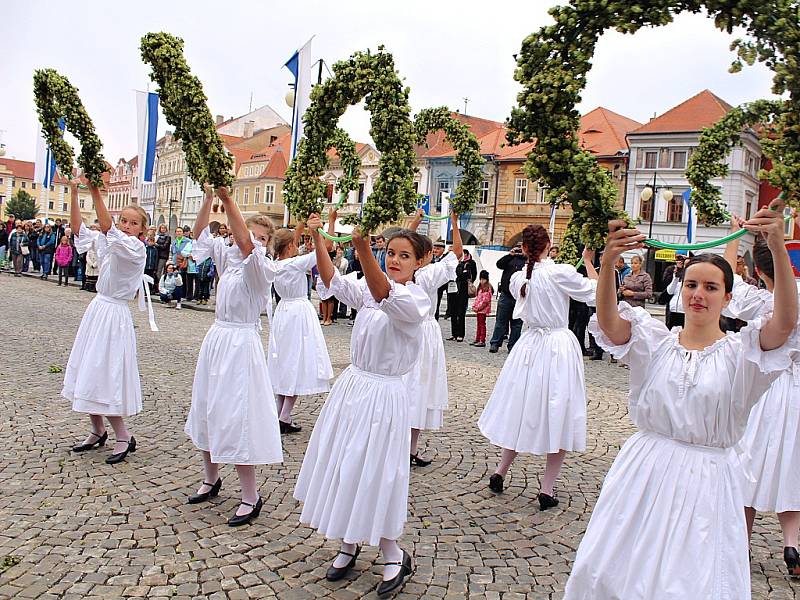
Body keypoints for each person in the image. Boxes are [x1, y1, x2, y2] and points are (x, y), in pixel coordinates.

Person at [563, 202, 799, 599]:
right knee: (612, 572)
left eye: (710, 287)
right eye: (691, 285)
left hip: (707, 479)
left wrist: (777, 246)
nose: (698, 295)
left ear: (728, 298)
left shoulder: (744, 356)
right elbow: (609, 324)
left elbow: (785, 322)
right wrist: (607, 265)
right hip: (644, 472)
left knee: (690, 582)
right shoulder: (653, 342)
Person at [295, 213, 429, 597]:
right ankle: (348, 542)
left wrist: (363, 249)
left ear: (420, 262)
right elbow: (332, 281)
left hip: (385, 395)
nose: (395, 260)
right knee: (344, 463)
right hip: (353, 387)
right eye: (391, 252)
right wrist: (321, 237)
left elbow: (385, 292)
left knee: (377, 469)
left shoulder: (414, 298)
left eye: (405, 255)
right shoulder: (371, 288)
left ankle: (392, 552)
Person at [479, 225, 597, 509]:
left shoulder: (519, 277)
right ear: (548, 244)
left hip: (529, 346)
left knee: (522, 408)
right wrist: (591, 261)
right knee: (559, 412)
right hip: (556, 346)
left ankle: (500, 471)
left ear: (524, 249)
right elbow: (596, 293)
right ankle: (546, 489)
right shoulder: (560, 272)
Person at [184, 185, 282, 527]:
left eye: (259, 237)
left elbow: (243, 242)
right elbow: (198, 236)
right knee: (208, 407)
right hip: (218, 338)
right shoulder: (228, 259)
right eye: (249, 234)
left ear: (265, 243)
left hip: (241, 343)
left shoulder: (260, 267)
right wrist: (210, 200)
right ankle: (211, 477)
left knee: (238, 414)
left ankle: (250, 494)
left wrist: (228, 199)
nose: (250, 241)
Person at [722, 217, 800, 575]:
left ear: (758, 268)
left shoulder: (759, 300)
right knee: (792, 465)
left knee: (749, 464)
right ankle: (792, 544)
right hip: (798, 393)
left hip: (768, 389)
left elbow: (728, 282)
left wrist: (736, 235)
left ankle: (742, 544)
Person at [63, 180, 156, 466]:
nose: (127, 225)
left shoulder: (135, 248)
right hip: (98, 309)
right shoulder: (111, 239)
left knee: (107, 373)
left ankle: (123, 435)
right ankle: (97, 429)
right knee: (88, 368)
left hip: (115, 314)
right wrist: (76, 193)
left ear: (142, 229)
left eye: (133, 223)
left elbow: (107, 229)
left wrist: (94, 191)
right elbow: (80, 231)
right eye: (123, 220)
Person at [406, 209, 463, 465]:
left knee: (405, 384)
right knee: (420, 387)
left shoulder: (404, 273)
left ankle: (399, 444)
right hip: (424, 331)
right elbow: (457, 253)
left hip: (406, 329)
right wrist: (454, 222)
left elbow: (403, 240)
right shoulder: (429, 274)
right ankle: (410, 447)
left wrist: (415, 223)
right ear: (427, 255)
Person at [268, 218, 334, 434]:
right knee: (296, 362)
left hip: (283, 312)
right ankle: (284, 414)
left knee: (284, 362)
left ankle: (279, 413)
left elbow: (290, 242)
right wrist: (328, 224)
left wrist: (299, 227)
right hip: (298, 313)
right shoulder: (296, 264)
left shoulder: (275, 264)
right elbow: (327, 249)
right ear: (289, 247)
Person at [489, 243, 526, 353]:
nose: (519, 250)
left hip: (519, 298)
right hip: (506, 295)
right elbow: (499, 264)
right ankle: (495, 343)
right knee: (500, 321)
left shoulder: (527, 261)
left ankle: (513, 346)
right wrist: (510, 254)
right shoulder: (510, 258)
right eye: (518, 248)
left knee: (516, 324)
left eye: (521, 248)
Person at [447, 249, 477, 342]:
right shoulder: (453, 263)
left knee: (461, 313)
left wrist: (464, 273)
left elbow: (472, 275)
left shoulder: (470, 263)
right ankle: (454, 334)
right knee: (453, 312)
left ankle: (460, 334)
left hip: (463, 290)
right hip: (453, 289)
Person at [471, 270, 493, 347]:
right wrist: (474, 306)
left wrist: (479, 308)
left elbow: (485, 301)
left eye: (483, 279)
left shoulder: (487, 288)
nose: (482, 281)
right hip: (479, 309)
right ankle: (477, 338)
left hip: (483, 310)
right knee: (479, 325)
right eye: (481, 279)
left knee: (482, 325)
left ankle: (482, 340)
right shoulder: (480, 288)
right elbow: (478, 298)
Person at [665, 255, 687, 329]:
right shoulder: (675, 272)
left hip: (685, 311)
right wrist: (676, 277)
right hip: (673, 309)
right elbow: (670, 291)